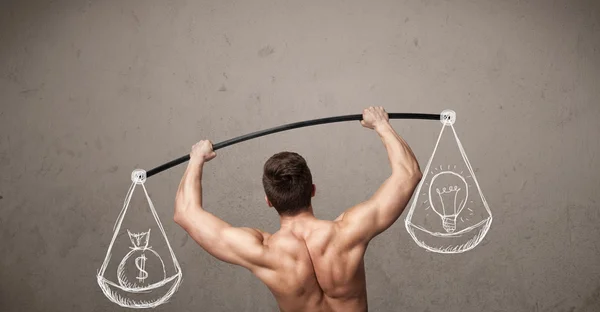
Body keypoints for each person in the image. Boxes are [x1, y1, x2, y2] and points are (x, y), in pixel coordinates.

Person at [174, 106, 422, 312]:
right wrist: (381, 125)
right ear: (312, 189)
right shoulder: (348, 232)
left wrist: (197, 159)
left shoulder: (262, 252)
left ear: (269, 200)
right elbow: (408, 175)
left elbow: (186, 213)